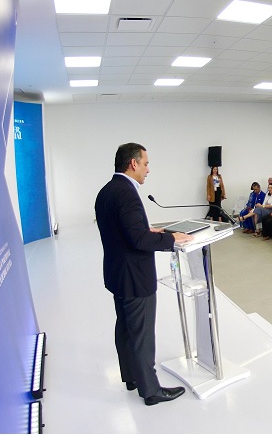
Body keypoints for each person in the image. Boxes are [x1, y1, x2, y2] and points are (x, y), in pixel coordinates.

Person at [95, 143, 192, 405]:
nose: (148, 170)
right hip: (135, 277)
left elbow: (123, 231)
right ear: (133, 163)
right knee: (142, 334)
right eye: (146, 164)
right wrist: (171, 239)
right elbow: (137, 240)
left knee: (126, 328)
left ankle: (131, 377)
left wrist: (147, 231)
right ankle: (151, 390)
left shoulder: (107, 191)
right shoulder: (127, 193)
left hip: (117, 273)